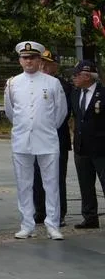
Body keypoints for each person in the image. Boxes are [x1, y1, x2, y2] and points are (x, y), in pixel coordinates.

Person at [5, 41, 68, 239]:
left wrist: (46, 128)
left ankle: (52, 224)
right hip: (22, 139)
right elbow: (10, 112)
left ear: (40, 60)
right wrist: (26, 128)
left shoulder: (52, 83)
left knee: (51, 184)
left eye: (32, 57)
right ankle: (27, 224)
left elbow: (60, 112)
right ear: (20, 61)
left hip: (47, 139)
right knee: (24, 184)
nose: (29, 61)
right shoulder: (12, 83)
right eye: (25, 57)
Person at [34, 49, 72, 228]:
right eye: (42, 63)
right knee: (36, 177)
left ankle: (58, 212)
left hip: (57, 138)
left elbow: (64, 112)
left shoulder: (62, 85)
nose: (44, 67)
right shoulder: (33, 82)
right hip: (36, 138)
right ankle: (40, 211)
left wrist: (50, 128)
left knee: (56, 178)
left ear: (55, 66)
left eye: (48, 64)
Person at [70, 60, 104, 229]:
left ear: (87, 76)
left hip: (101, 147)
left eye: (76, 75)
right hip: (81, 146)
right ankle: (90, 217)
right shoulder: (76, 93)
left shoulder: (102, 93)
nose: (73, 78)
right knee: (85, 184)